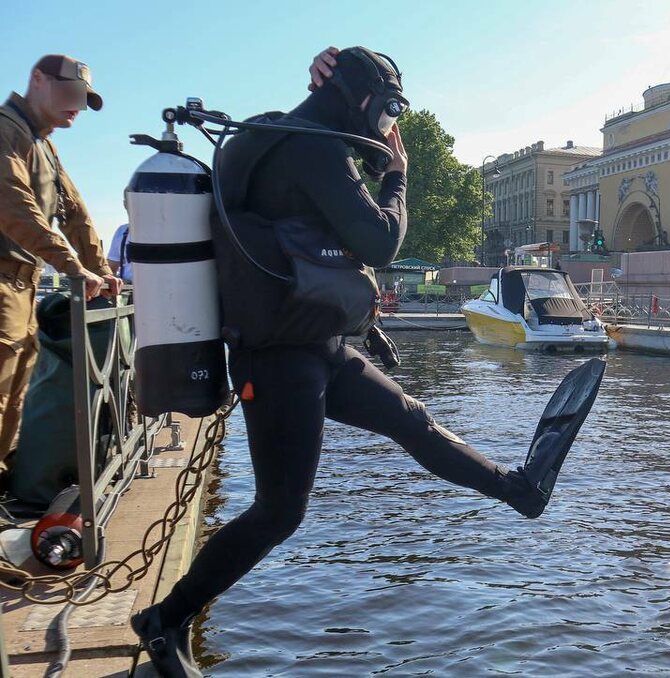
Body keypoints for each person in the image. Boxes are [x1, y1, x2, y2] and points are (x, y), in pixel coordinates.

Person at [129, 47, 601, 678]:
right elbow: (379, 239)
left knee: (412, 418)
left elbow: (305, 226)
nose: (386, 128)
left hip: (315, 344)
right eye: (387, 112)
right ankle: (165, 619)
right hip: (278, 360)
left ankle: (520, 491)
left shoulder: (271, 138)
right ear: (365, 102)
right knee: (279, 510)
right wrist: (397, 174)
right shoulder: (313, 149)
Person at [0, 55, 122, 470]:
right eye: (70, 92)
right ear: (37, 79)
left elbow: (75, 214)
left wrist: (101, 270)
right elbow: (14, 207)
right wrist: (72, 266)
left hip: (23, 285)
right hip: (3, 280)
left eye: (84, 98)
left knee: (13, 400)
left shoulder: (43, 144)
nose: (78, 104)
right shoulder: (6, 130)